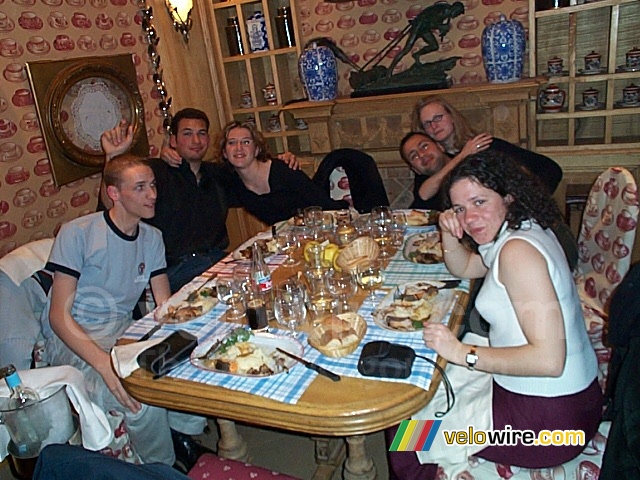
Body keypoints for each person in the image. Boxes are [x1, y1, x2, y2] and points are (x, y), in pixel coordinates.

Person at [387, 151, 602, 478]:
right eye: (460, 208)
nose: (469, 217)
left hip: (549, 426)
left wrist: (460, 353)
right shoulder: (520, 230)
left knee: (403, 434)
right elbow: (465, 267)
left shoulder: (518, 253)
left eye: (479, 202)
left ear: (508, 196)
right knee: (423, 393)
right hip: (556, 398)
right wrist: (448, 232)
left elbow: (548, 360)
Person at [42, 154, 208, 471]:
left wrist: (193, 326)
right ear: (115, 193)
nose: (153, 195)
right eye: (141, 187)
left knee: (192, 359)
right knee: (138, 396)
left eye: (153, 185)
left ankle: (183, 437)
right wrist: (103, 364)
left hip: (123, 331)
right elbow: (58, 317)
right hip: (75, 337)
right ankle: (159, 467)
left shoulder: (152, 237)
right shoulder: (77, 233)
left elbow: (164, 306)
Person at [101, 109, 231, 293]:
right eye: (187, 134)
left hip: (218, 260)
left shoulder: (217, 174)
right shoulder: (155, 172)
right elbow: (112, 202)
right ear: (173, 140)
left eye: (201, 133)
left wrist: (282, 162)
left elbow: (254, 179)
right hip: (175, 270)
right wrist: (113, 157)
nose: (196, 141)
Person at [411, 96, 563, 202]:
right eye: (427, 123)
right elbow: (423, 195)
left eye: (438, 118)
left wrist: (526, 202)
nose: (434, 126)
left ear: (451, 117)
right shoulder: (429, 159)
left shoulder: (485, 145)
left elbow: (550, 169)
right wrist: (464, 155)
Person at [213, 120, 349, 225]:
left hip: (322, 226)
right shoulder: (231, 179)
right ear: (225, 152)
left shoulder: (283, 170)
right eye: (232, 143)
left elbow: (324, 206)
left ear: (256, 150)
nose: (239, 148)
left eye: (246, 142)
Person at [399, 130, 464, 211]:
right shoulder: (422, 181)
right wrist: (462, 156)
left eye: (424, 146)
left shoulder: (468, 165)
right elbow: (424, 196)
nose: (421, 155)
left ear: (440, 146)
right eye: (414, 156)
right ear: (415, 170)